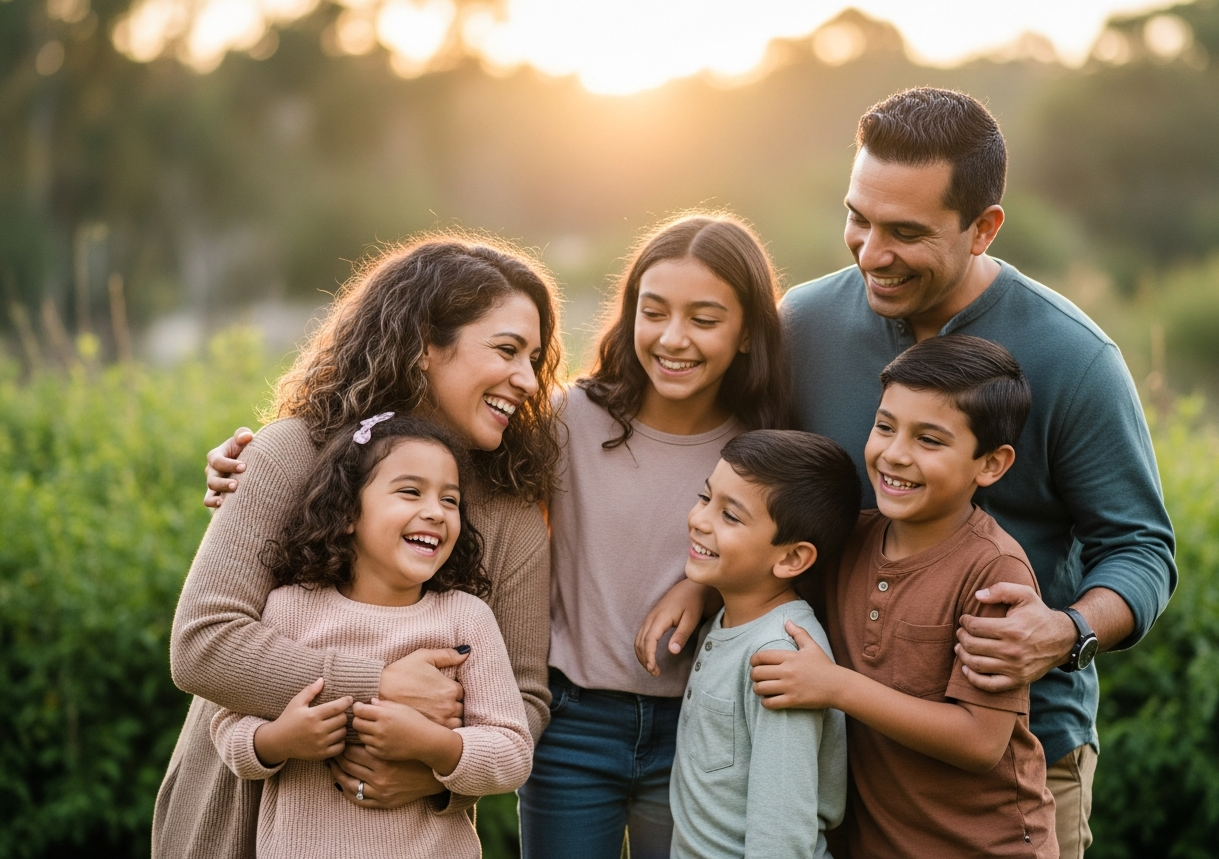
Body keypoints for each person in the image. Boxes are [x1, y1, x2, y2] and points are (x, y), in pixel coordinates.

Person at [640, 87, 1177, 857]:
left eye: (906, 232)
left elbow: (1142, 549)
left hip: (1012, 765)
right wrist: (703, 580)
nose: (870, 252)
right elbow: (758, 489)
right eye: (859, 218)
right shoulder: (805, 325)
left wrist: (1064, 631)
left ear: (984, 228)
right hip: (847, 746)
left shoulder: (1074, 359)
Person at [154, 235, 563, 859]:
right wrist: (377, 686)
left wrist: (435, 774)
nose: (528, 380)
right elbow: (204, 643)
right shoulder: (293, 452)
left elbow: (524, 697)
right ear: (426, 346)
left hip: (409, 835)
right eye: (506, 350)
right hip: (240, 811)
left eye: (534, 358)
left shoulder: (511, 516)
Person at [518, 213, 792, 859]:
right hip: (571, 724)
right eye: (654, 311)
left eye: (704, 318)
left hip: (700, 726)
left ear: (748, 332)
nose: (673, 339)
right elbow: (441, 467)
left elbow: (794, 568)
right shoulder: (569, 418)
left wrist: (702, 590)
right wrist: (269, 460)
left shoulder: (762, 450)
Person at [751, 335, 1057, 857]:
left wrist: (836, 687)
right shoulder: (850, 538)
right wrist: (695, 592)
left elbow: (980, 742)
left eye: (929, 440)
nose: (894, 454)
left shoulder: (993, 570)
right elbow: (763, 567)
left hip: (988, 847)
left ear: (991, 464)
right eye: (885, 427)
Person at [211, 415, 533, 858]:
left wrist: (433, 746)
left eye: (450, 500)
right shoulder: (289, 609)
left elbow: (513, 751)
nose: (436, 512)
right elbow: (227, 726)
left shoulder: (466, 619)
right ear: (346, 513)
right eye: (410, 491)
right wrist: (279, 741)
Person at [670, 430, 856, 859]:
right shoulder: (727, 617)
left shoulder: (781, 654)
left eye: (730, 517)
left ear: (792, 558)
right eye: (705, 497)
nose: (699, 519)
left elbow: (782, 830)